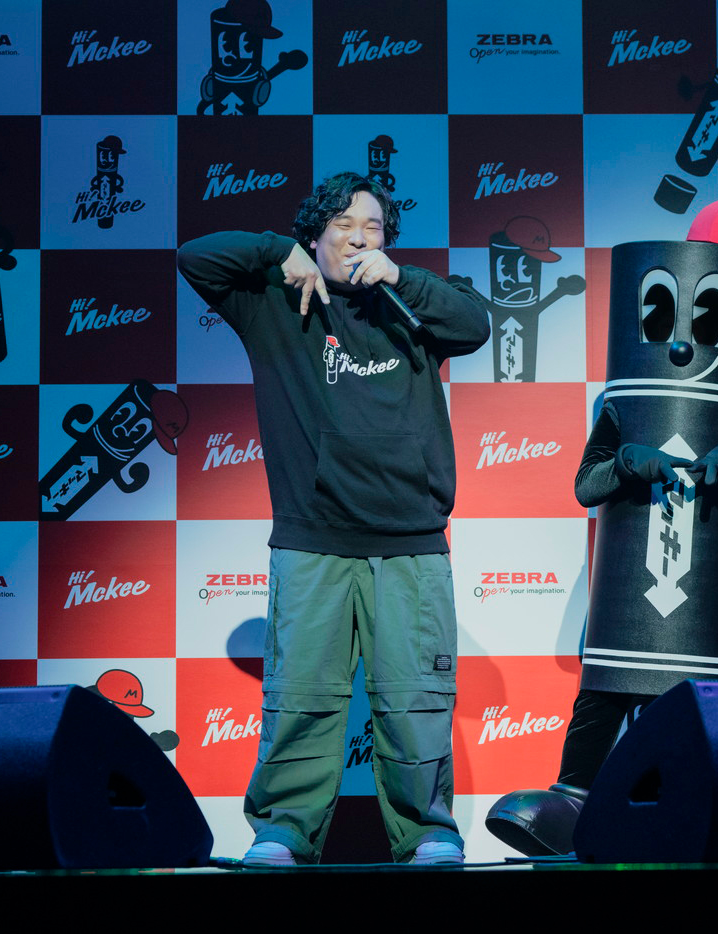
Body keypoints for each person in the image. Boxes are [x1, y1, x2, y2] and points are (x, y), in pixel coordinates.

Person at [177, 172, 489, 866]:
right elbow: (195, 256)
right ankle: (284, 829)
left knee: (415, 699)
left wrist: (400, 279)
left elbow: (475, 325)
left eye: (371, 227)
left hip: (410, 542)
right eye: (341, 225)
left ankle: (427, 830)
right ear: (314, 239)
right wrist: (275, 252)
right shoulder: (272, 302)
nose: (357, 238)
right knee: (301, 696)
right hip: (313, 539)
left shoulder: (411, 304)